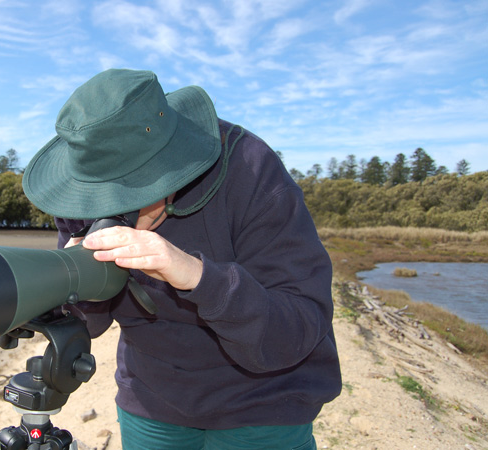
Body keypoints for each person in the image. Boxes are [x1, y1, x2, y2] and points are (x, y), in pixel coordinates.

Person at [22, 69, 341, 450]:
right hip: (154, 400)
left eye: (124, 189)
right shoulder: (83, 191)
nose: (107, 206)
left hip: (265, 402)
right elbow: (89, 324)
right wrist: (78, 277)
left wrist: (197, 276)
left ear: (170, 161)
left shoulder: (250, 170)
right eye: (99, 194)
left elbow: (300, 324)